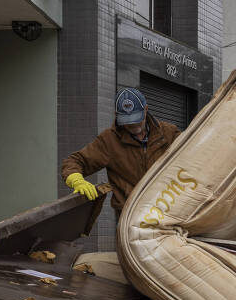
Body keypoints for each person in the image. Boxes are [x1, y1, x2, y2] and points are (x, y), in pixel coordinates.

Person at [61, 88, 182, 218]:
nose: (133, 125)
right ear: (117, 115)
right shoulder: (109, 140)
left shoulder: (169, 133)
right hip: (131, 216)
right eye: (128, 122)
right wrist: (77, 180)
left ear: (146, 109)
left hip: (169, 210)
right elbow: (74, 161)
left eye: (137, 119)